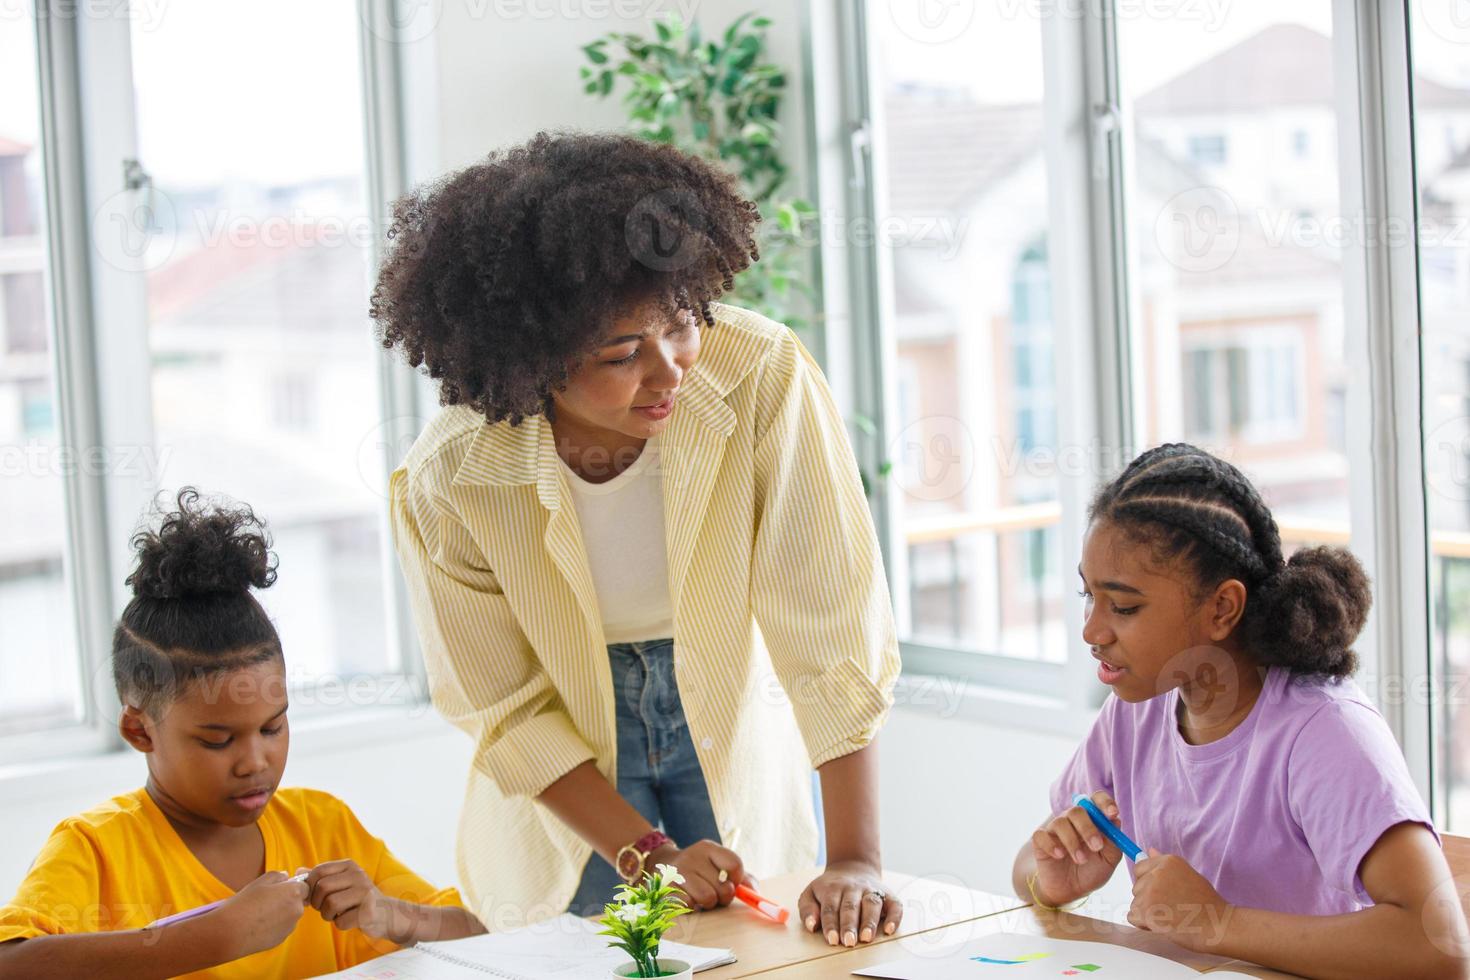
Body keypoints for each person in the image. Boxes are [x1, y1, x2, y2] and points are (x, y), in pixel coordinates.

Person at [378, 130, 902, 945]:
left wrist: (858, 859)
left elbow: (830, 622)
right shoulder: (452, 476)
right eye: (622, 353)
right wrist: (646, 855)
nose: (670, 371)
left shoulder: (761, 376)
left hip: (724, 707)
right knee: (605, 954)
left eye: (683, 324)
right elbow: (506, 709)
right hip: (571, 759)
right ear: (530, 361)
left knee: (758, 950)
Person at [1012, 444, 1469, 978]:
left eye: (1125, 606)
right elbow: (1027, 863)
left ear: (1222, 608)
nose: (1091, 631)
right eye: (1087, 595)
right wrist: (1052, 882)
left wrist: (1218, 924)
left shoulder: (1323, 731)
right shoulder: (1133, 715)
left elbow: (1441, 948)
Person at [0, 489, 483, 979]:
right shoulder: (96, 848)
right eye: (217, 740)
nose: (255, 761)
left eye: (272, 727)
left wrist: (389, 915)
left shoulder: (323, 826)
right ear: (139, 730)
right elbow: (11, 964)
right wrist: (217, 936)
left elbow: (483, 931)